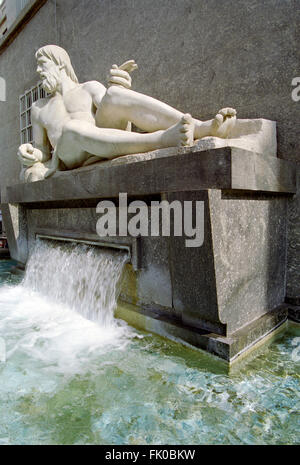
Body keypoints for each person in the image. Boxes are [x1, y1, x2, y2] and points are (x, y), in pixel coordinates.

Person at [18, 45, 236, 181]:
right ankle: (162, 139)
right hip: (71, 155)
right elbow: (43, 154)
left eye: (42, 65)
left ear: (59, 64)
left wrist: (120, 84)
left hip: (104, 140)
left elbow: (118, 109)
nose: (38, 71)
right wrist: (28, 154)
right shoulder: (39, 108)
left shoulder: (89, 87)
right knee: (72, 128)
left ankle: (201, 127)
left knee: (113, 95)